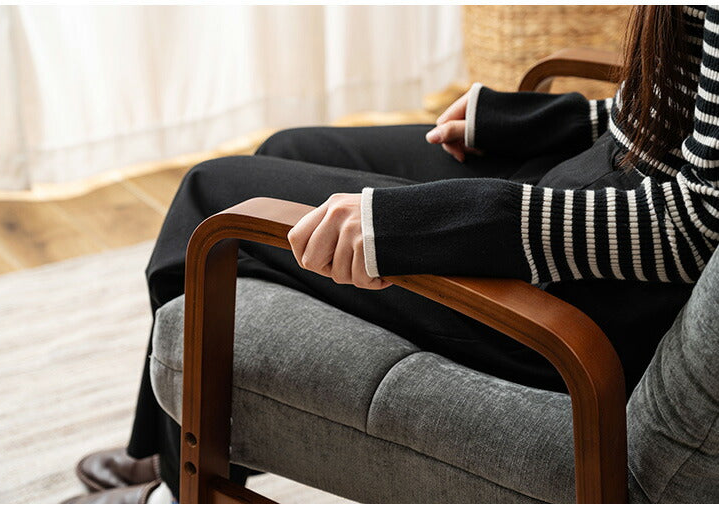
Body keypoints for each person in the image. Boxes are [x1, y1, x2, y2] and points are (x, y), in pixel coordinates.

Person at [67, 5, 719, 503]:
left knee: (212, 195)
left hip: (590, 284)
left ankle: (171, 479)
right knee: (287, 149)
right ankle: (173, 448)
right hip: (589, 184)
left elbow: (693, 223)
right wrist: (529, 122)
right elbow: (679, 114)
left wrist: (407, 227)